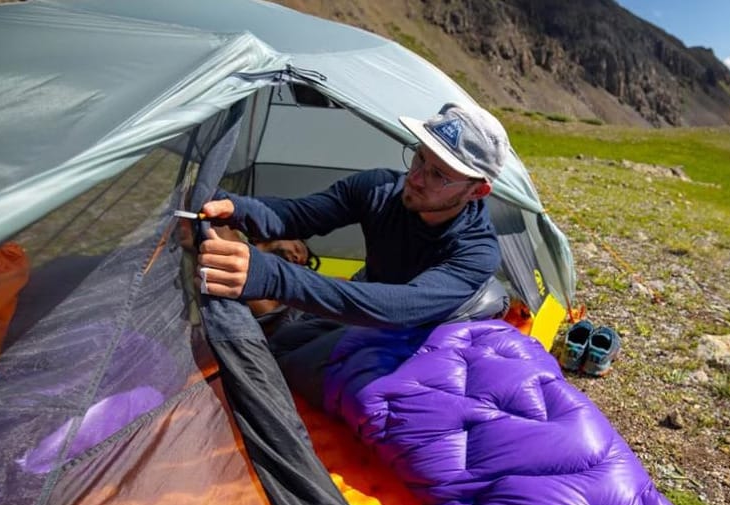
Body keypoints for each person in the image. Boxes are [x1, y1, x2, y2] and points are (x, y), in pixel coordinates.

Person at [196, 102, 509, 337]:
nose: (415, 178)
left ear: (477, 191)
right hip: (363, 295)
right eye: (419, 157)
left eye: (438, 175)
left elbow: (397, 307)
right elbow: (297, 216)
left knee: (301, 369)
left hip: (420, 331)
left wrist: (275, 277)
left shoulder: (477, 252)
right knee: (279, 341)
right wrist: (233, 207)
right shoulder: (380, 189)